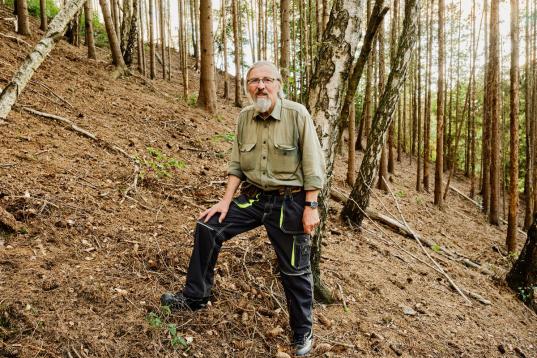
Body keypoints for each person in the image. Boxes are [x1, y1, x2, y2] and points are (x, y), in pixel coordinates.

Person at [160, 61, 325, 356]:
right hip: (254, 199)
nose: (260, 86)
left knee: (295, 270)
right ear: (247, 86)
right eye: (253, 81)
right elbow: (236, 165)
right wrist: (225, 201)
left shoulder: (297, 114)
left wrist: (311, 206)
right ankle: (195, 296)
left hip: (290, 202)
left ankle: (303, 331)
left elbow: (314, 166)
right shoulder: (245, 117)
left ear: (278, 83)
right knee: (208, 227)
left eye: (266, 80)